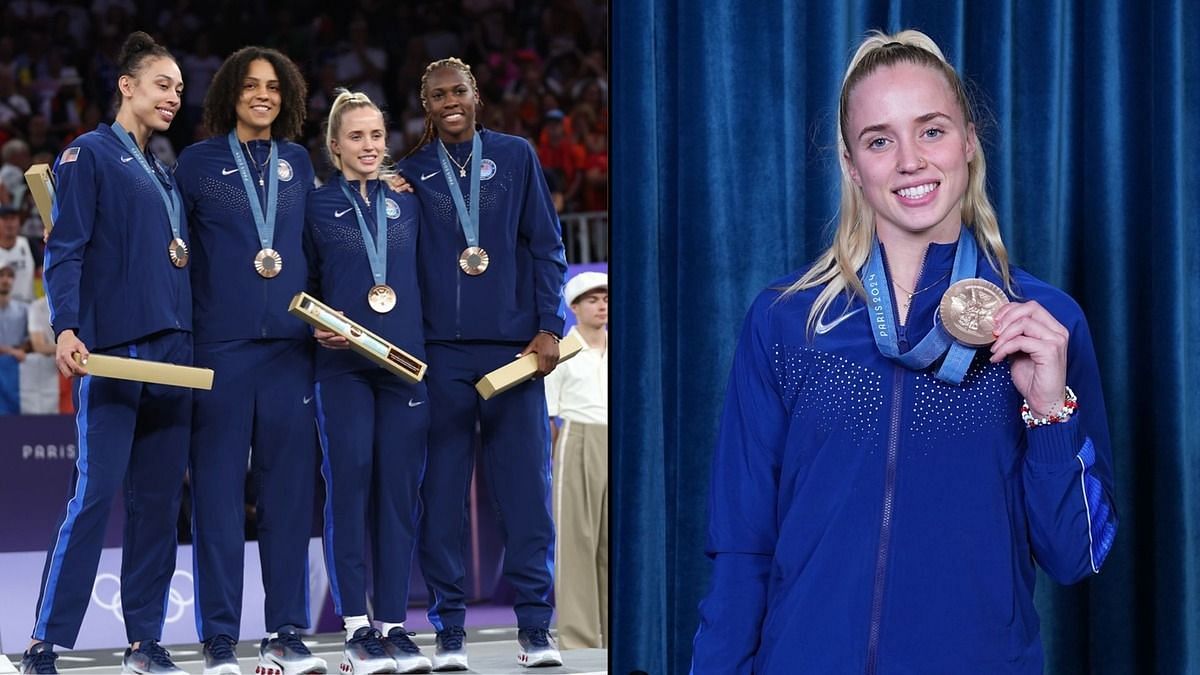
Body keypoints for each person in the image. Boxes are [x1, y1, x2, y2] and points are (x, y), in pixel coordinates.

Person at [690, 30, 1119, 673]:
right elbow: (742, 546)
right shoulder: (788, 320)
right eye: (880, 140)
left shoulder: (1042, 323)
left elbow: (1075, 555)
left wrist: (1050, 410)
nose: (910, 161)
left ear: (969, 141)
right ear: (851, 164)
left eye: (932, 130)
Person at [22, 30, 193, 675]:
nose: (174, 97)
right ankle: (47, 641)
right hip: (114, 355)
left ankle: (145, 641)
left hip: (173, 356)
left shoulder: (165, 172)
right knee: (94, 495)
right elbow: (63, 250)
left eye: (179, 88)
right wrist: (66, 326)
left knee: (157, 506)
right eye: (162, 85)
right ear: (127, 86)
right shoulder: (86, 155)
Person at [398, 57, 567, 670]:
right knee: (439, 495)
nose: (450, 101)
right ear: (426, 105)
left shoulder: (516, 157)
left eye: (459, 91)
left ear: (476, 96)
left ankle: (536, 628)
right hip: (439, 357)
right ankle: (447, 630)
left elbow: (546, 244)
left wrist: (550, 326)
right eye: (438, 94)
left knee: (524, 493)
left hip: (513, 353)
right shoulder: (410, 174)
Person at [173, 46, 326, 675]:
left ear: (286, 95)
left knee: (289, 495)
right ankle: (218, 637)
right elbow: (173, 248)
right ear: (229, 93)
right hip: (220, 350)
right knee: (215, 495)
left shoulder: (297, 160)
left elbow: (317, 244)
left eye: (272, 86)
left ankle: (288, 631)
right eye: (250, 85)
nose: (262, 94)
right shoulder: (196, 162)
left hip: (291, 352)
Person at [306, 89, 432, 675]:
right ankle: (356, 626)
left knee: (399, 498)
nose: (369, 146)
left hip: (404, 365)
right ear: (334, 147)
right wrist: (314, 328)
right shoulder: (313, 205)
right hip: (342, 368)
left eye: (377, 135)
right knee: (349, 489)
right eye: (356, 137)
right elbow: (298, 288)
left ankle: (395, 625)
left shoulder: (410, 203)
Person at [543, 271, 607, 650]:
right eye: (592, 300)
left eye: (604, 299)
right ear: (575, 308)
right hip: (578, 436)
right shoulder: (565, 351)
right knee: (577, 540)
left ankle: (609, 628)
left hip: (609, 437)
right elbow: (549, 412)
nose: (601, 305)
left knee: (608, 543)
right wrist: (557, 454)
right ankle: (580, 637)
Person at [0, 261, 29, 414]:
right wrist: (11, 351)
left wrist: (20, 350)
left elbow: (29, 338)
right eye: (1, 275)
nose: (5, 280)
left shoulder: (23, 309)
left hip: (16, 367)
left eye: (10, 276)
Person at [0, 202, 35, 303]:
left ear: (19, 222)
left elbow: (42, 272)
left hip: (26, 307)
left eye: (13, 218)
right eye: (5, 219)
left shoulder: (29, 244)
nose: (10, 223)